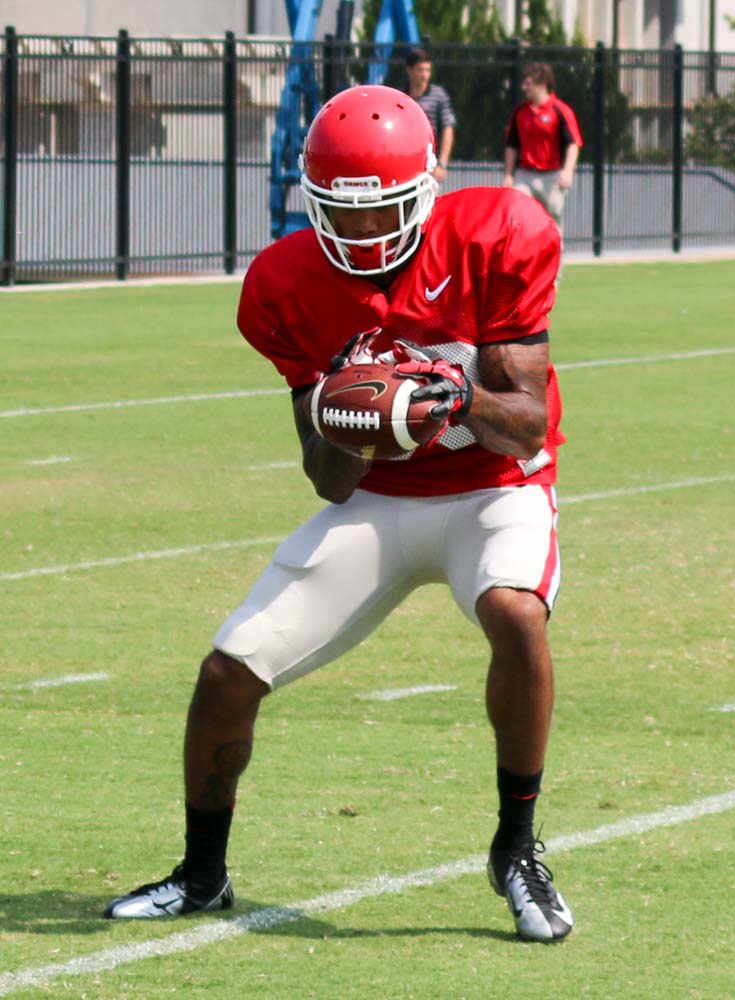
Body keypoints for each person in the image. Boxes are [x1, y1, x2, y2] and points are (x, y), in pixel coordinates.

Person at [104, 84, 574, 943]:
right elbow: (325, 478)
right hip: (379, 500)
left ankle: (517, 847)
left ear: (423, 191)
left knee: (515, 615)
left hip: (494, 493)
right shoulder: (285, 282)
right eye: (341, 215)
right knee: (227, 671)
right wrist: (355, 419)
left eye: (381, 213)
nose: (361, 234)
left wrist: (451, 396)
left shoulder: (496, 234)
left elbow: (527, 425)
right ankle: (202, 875)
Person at [503, 62, 583, 231]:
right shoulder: (520, 112)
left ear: (542, 84)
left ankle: (554, 254)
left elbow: (573, 144)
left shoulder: (560, 110)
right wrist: (509, 174)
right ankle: (523, 255)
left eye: (529, 83)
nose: (524, 87)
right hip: (525, 174)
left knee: (552, 220)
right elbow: (511, 145)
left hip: (552, 176)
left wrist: (568, 172)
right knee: (518, 213)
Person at [404, 46, 456, 185]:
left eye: (427, 70)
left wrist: (443, 163)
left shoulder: (439, 95)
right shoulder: (401, 97)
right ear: (409, 70)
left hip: (430, 163)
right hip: (405, 162)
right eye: (420, 70)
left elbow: (447, 128)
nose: (424, 75)